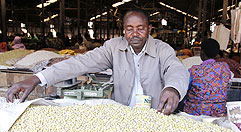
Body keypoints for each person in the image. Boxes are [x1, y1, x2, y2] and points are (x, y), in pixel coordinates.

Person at [6, 9, 189, 115]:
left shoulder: (162, 49)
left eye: (140, 28)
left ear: (149, 29)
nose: (135, 33)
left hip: (155, 114)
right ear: (123, 30)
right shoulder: (113, 47)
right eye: (129, 28)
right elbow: (80, 63)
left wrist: (172, 88)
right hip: (123, 115)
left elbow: (176, 70)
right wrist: (37, 78)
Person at [183, 38, 231, 117]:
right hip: (219, 112)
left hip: (196, 113)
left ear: (202, 52)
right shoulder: (224, 67)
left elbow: (184, 88)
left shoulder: (194, 70)